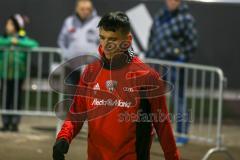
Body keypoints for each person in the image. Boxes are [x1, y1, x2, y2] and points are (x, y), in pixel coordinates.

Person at [53, 11, 179, 160]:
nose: (106, 44)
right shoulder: (91, 71)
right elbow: (76, 113)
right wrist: (64, 137)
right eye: (102, 38)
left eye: (112, 39)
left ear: (128, 40)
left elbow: (163, 124)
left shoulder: (147, 76)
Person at [146, 0, 198, 146]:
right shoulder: (160, 15)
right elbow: (152, 37)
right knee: (155, 99)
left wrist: (182, 58)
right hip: (156, 64)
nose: (171, 2)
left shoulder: (186, 18)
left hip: (174, 65)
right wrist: (149, 56)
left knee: (178, 99)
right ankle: (156, 131)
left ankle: (182, 134)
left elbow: (192, 42)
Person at [0, 14, 38, 132]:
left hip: (19, 75)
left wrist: (18, 42)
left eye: (11, 24)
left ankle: (15, 123)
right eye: (7, 24)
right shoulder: (4, 38)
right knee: (5, 98)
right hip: (5, 74)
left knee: (17, 99)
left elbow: (34, 44)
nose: (7, 26)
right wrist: (10, 41)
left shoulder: (22, 39)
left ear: (17, 26)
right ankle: (6, 123)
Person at [58, 0, 100, 85]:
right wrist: (66, 54)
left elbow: (104, 42)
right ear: (77, 9)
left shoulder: (99, 22)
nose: (85, 11)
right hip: (71, 66)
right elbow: (61, 40)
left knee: (88, 94)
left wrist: (96, 56)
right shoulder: (69, 21)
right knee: (71, 94)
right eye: (82, 9)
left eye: (88, 9)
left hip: (91, 67)